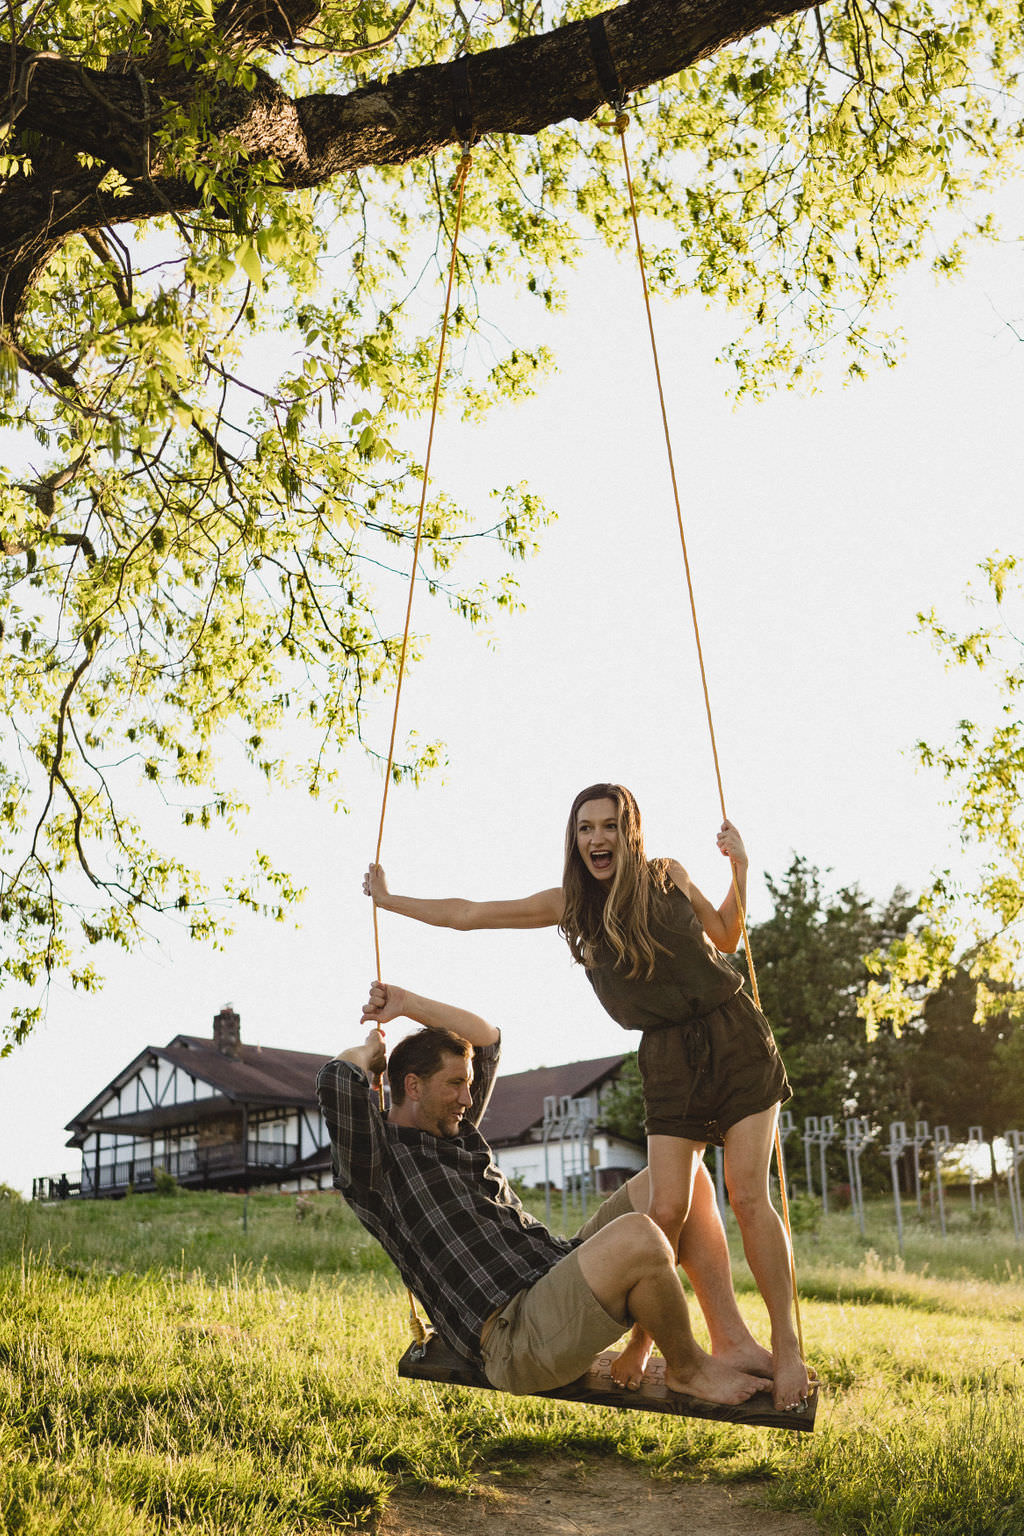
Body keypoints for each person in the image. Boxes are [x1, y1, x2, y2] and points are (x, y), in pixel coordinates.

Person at [363, 784, 810, 1412]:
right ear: (574, 840)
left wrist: (740, 868)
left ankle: (784, 1347)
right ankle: (661, 1346)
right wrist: (390, 900)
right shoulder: (569, 905)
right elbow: (469, 913)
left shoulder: (668, 877)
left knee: (745, 1192)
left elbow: (728, 935)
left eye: (609, 825)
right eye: (584, 828)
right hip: (667, 1058)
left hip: (733, 1035)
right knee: (666, 1205)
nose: (597, 838)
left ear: (631, 831)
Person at [316, 979, 773, 1407]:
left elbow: (487, 1038)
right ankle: (688, 1369)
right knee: (639, 1235)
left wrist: (405, 1003)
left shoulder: (458, 1133)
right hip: (514, 1339)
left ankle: (729, 1339)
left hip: (553, 1276)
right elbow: (337, 1081)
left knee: (683, 1177)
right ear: (412, 1086)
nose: (467, 1100)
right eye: (455, 1084)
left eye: (469, 1085)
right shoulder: (376, 1165)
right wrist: (368, 1052)